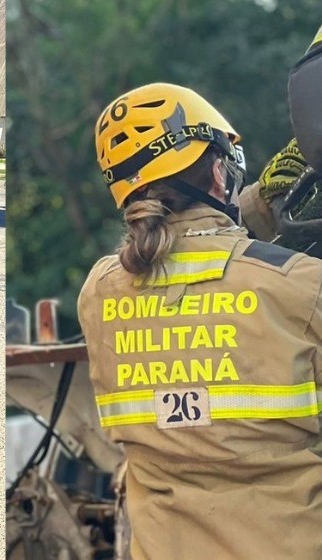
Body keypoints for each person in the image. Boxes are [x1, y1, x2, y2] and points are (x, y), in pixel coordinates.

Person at [78, 82, 322, 560]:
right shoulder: (302, 286)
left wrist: (256, 208)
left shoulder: (99, 291)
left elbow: (193, 257)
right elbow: (235, 263)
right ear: (217, 173)